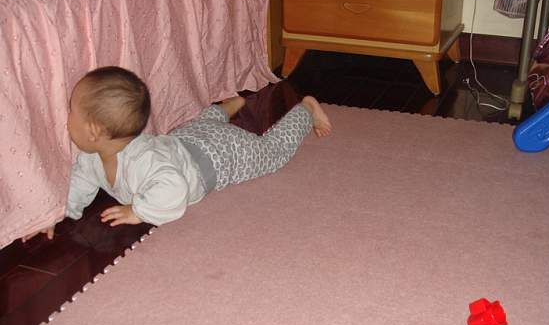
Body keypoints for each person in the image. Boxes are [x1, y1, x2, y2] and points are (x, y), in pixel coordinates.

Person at [22, 66, 332, 242]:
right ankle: (228, 108)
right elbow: (79, 185)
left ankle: (305, 109)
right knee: (200, 126)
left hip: (219, 157)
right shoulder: (90, 158)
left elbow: (175, 190)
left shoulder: (144, 163)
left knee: (272, 153)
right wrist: (57, 215)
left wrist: (138, 211)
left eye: (71, 113)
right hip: (184, 140)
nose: (66, 119)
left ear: (94, 131)